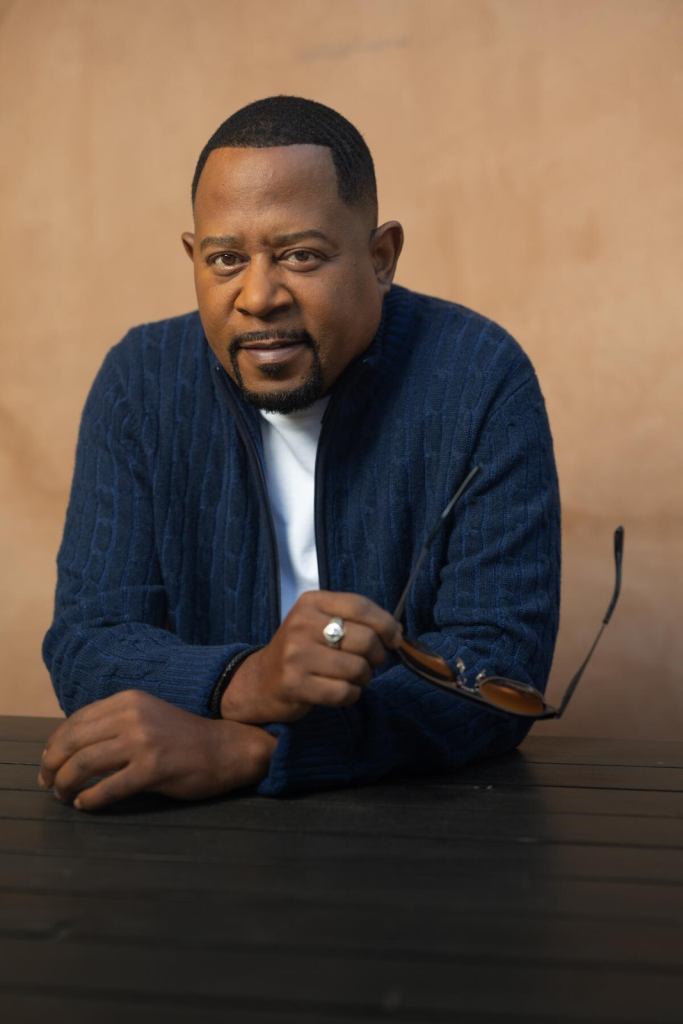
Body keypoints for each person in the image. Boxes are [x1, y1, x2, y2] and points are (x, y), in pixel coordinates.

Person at [38, 96, 561, 811]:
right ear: (193, 258)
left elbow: (498, 669)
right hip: (182, 842)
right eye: (225, 260)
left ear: (380, 258)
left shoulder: (478, 377)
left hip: (419, 837)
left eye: (300, 256)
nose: (257, 296)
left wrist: (254, 752)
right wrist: (245, 679)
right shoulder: (140, 381)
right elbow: (87, 642)